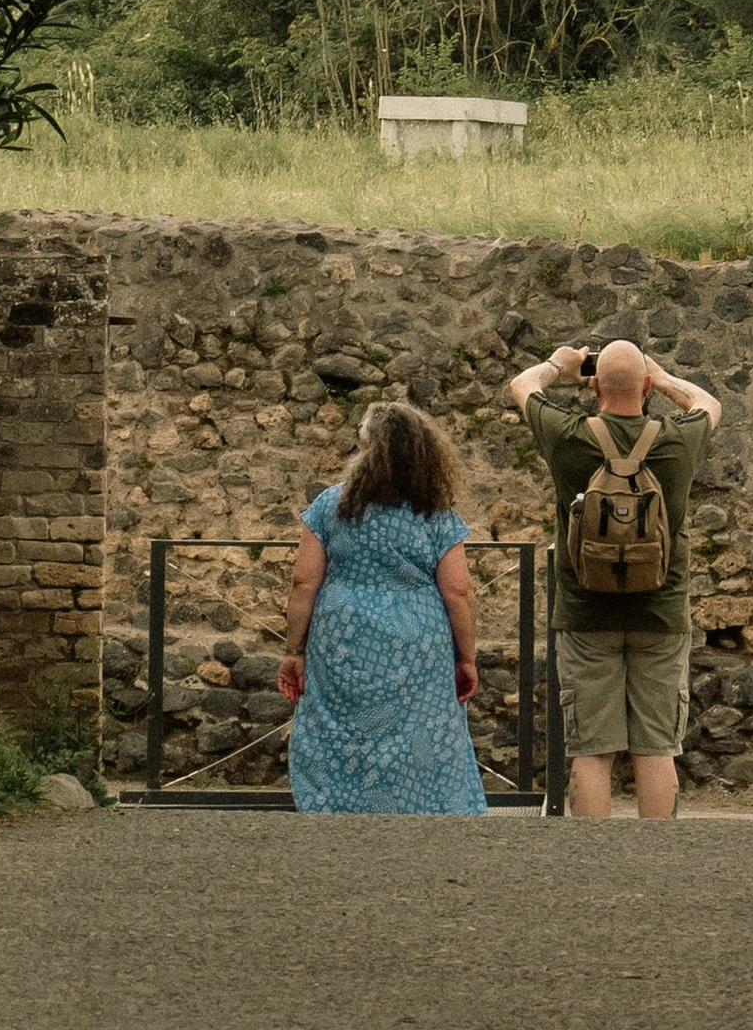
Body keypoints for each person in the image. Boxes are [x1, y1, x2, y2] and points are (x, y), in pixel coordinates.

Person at [508, 333, 722, 819]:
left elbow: (523, 385)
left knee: (591, 750)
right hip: (661, 613)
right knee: (656, 748)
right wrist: (664, 379)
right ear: (645, 387)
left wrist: (559, 363)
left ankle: (592, 863)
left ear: (595, 389)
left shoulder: (569, 438)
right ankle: (657, 864)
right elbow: (709, 402)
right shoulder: (679, 440)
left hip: (586, 614)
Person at [278, 399, 487, 815]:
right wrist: (466, 657)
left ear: (365, 447)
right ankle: (422, 813)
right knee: (419, 730)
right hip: (419, 636)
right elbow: (459, 591)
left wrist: (292, 651)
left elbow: (304, 582)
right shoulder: (435, 511)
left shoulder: (330, 505)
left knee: (341, 727)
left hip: (343, 634)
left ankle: (338, 810)